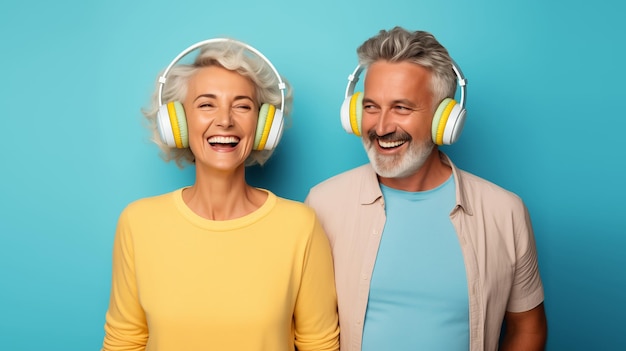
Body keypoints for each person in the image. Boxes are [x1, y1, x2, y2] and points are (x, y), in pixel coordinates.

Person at [305, 27, 547, 351]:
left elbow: (528, 329)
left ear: (443, 118)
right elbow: (306, 330)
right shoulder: (322, 204)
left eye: (402, 108)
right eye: (372, 106)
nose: (381, 127)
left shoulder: (505, 212)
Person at [102, 38, 339, 351]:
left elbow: (319, 345)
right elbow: (124, 340)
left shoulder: (300, 226)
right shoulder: (138, 222)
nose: (225, 120)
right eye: (206, 104)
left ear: (264, 124)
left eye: (242, 106)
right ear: (177, 121)